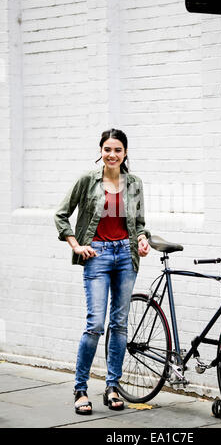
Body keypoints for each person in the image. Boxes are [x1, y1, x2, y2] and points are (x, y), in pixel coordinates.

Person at [54, 128, 150, 414]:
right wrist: (75, 244)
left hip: (125, 255)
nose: (112, 154)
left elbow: (140, 222)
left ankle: (112, 386)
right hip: (96, 254)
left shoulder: (134, 183)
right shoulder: (87, 180)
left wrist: (142, 239)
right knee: (95, 324)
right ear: (101, 151)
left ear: (125, 153)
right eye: (107, 149)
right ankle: (80, 388)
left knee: (119, 325)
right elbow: (61, 214)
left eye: (117, 150)